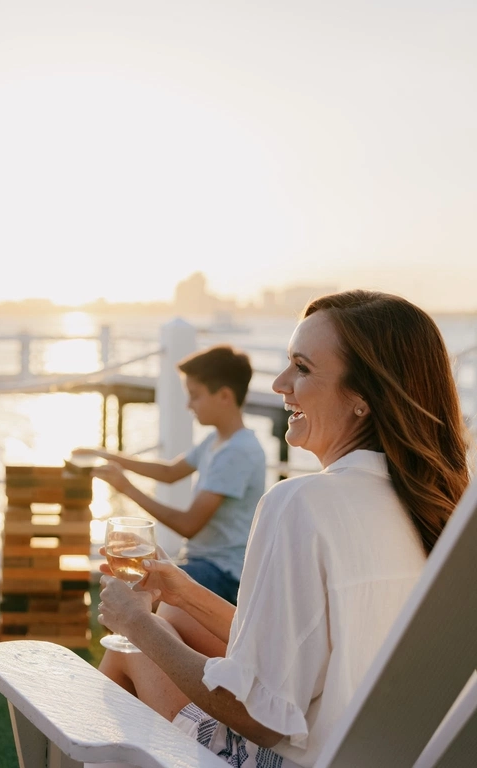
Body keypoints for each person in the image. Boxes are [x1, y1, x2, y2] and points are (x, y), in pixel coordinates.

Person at [95, 290, 470, 767]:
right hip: (378, 751)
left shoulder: (301, 503)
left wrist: (135, 622)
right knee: (179, 617)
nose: (278, 383)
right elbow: (304, 649)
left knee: (134, 648)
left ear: (362, 399)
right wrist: (182, 591)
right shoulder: (433, 507)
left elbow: (257, 719)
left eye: (302, 368)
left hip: (294, 759)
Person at [75, 344, 265, 603]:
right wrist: (107, 455)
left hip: (225, 575)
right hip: (203, 562)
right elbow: (170, 472)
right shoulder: (217, 441)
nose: (188, 404)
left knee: (131, 594)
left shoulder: (237, 452)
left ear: (224, 396)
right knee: (127, 588)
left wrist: (126, 488)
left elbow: (188, 525)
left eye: (195, 395)